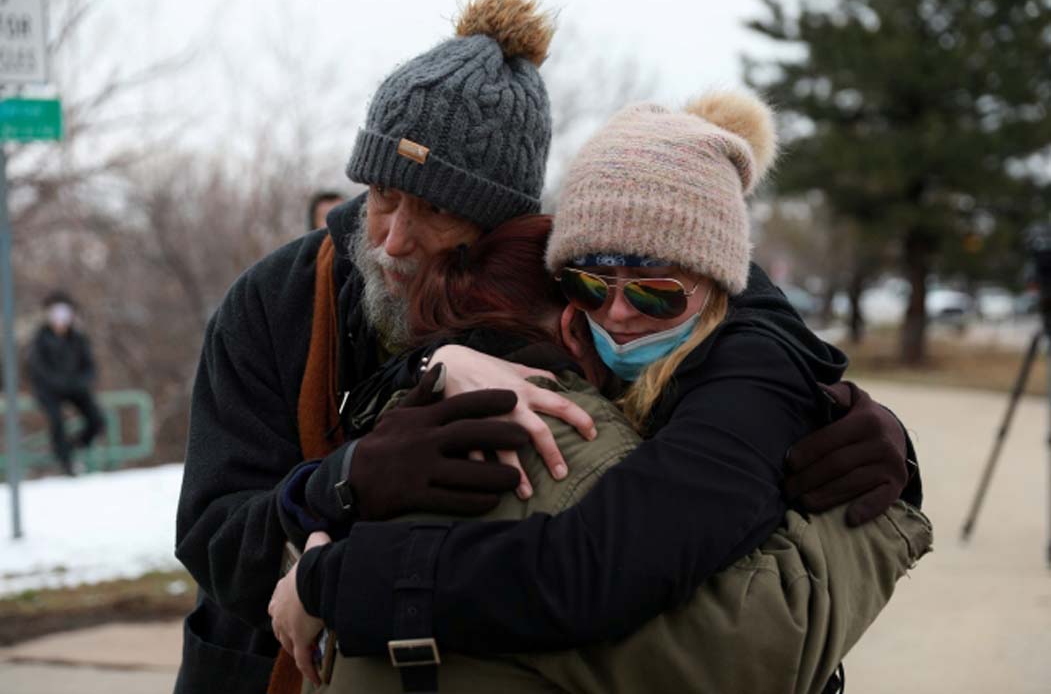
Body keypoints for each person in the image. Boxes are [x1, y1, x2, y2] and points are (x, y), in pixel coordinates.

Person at [174, 0, 916, 692]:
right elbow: (209, 535)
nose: (394, 238)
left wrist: (830, 403)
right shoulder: (274, 302)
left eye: (433, 210)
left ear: (505, 228)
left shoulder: (569, 283)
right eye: (382, 196)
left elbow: (707, 279)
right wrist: (341, 483)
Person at [270, 215, 930, 694]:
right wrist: (889, 504)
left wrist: (324, 497)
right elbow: (755, 644)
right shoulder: (562, 436)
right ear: (567, 318)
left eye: (652, 293)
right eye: (592, 289)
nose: (618, 315)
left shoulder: (403, 418)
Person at [26, 291, 105, 476]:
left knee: (97, 419)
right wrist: (58, 383)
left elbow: (90, 366)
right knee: (57, 420)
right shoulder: (40, 339)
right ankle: (66, 461)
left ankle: (73, 448)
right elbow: (38, 369)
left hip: (75, 388)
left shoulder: (78, 339)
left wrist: (80, 382)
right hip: (49, 391)